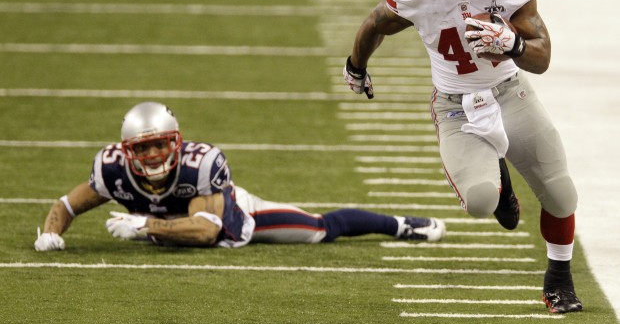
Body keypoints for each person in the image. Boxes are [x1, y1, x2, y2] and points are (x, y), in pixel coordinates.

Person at [342, 0, 582, 314]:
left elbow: (541, 61)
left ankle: (559, 279)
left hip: (509, 91)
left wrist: (513, 45)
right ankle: (500, 180)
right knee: (481, 202)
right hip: (455, 105)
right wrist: (356, 65)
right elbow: (376, 22)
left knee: (562, 194)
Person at [34, 101, 445, 251]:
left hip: (236, 219)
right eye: (143, 147)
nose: (154, 153)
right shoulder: (111, 168)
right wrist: (52, 233)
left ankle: (401, 225)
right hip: (182, 222)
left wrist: (146, 225)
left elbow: (206, 231)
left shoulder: (202, 163)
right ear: (127, 151)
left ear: (177, 142)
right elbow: (68, 204)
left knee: (322, 228)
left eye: (160, 143)